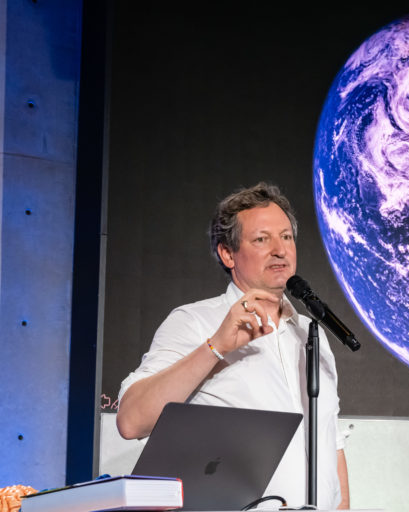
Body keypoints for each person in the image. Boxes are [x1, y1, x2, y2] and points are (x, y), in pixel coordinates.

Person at [116, 183, 350, 510]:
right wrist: (215, 347)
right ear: (228, 254)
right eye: (261, 239)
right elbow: (131, 421)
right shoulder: (195, 322)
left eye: (286, 237)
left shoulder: (312, 335)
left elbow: (331, 442)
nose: (280, 250)